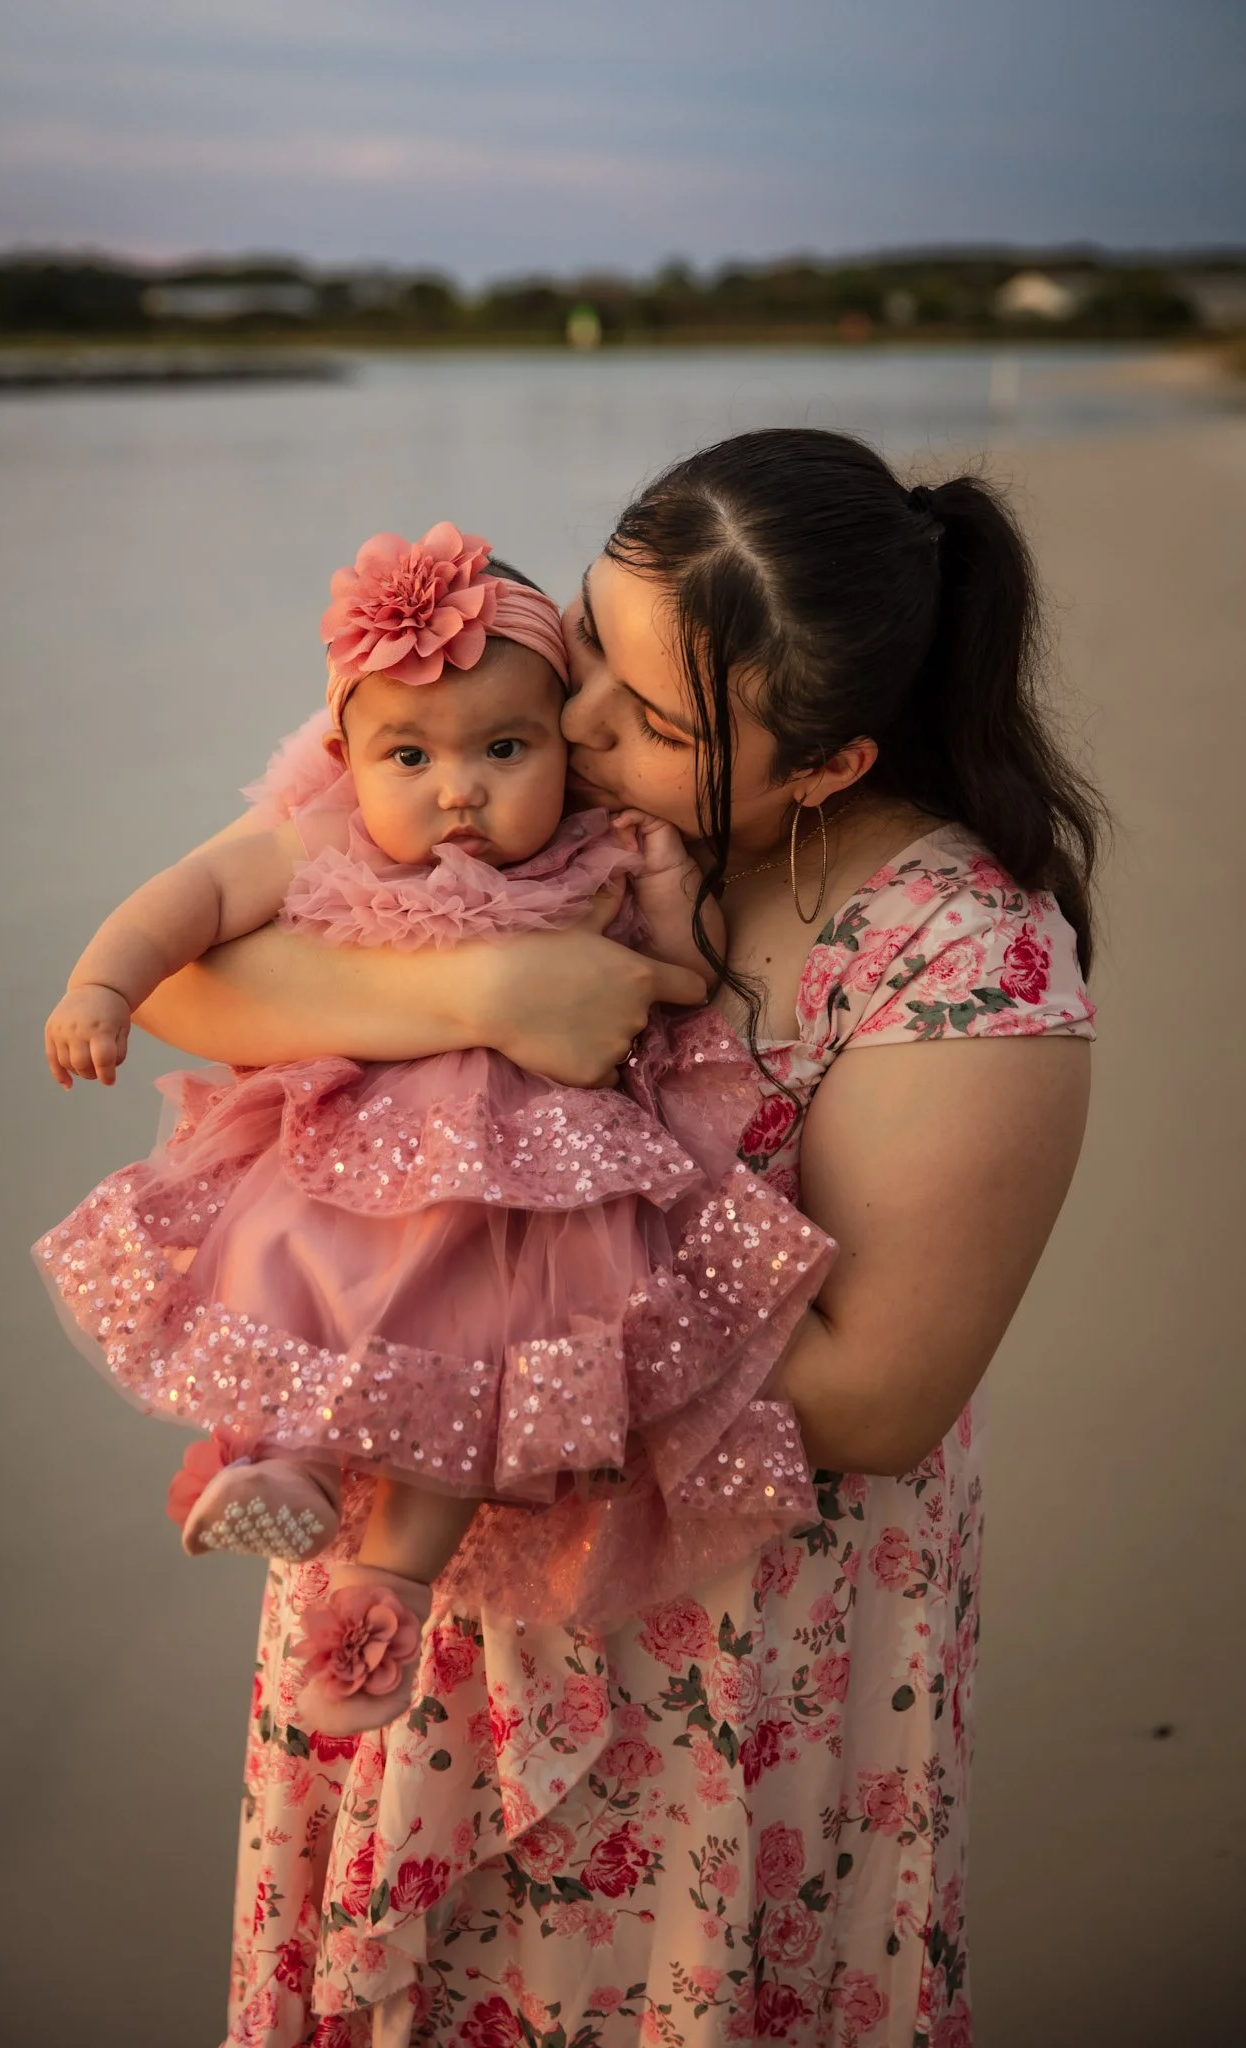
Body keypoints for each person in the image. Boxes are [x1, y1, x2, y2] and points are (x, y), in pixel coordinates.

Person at [133, 430, 1100, 2045]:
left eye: (650, 720)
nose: (578, 724)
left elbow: (876, 1397)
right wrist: (483, 993)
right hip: (422, 1628)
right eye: (591, 641)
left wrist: (526, 1267)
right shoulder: (512, 760)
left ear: (826, 766)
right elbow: (185, 968)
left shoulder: (962, 959)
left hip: (716, 1681)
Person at [36, 523, 832, 1737]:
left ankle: (388, 1590)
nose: (457, 788)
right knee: (292, 1265)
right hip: (362, 1161)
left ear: (559, 739)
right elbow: (193, 898)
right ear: (346, 758)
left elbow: (675, 988)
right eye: (409, 755)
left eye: (504, 748)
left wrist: (668, 893)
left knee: (481, 1367)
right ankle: (283, 1458)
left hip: (531, 1191)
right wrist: (101, 982)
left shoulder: (598, 853)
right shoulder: (333, 835)